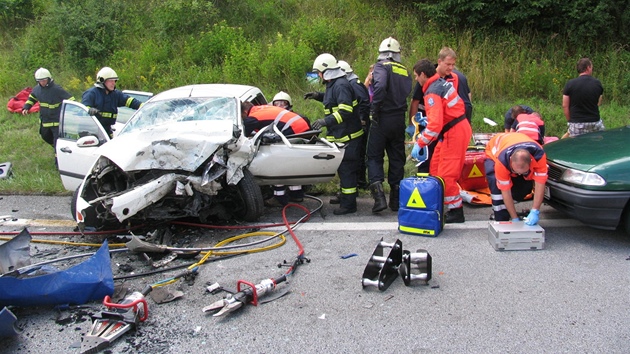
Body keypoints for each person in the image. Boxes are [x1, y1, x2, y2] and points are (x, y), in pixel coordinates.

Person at [411, 59, 472, 223]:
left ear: (423, 75)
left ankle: (456, 210)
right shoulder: (438, 84)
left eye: (416, 76)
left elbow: (435, 126)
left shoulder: (432, 92)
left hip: (454, 132)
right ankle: (440, 203)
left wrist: (420, 142)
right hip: (452, 129)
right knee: (436, 167)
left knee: (446, 174)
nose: (416, 79)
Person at [305, 53, 363, 215]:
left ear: (326, 71)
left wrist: (325, 121)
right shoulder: (334, 84)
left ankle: (349, 205)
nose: (318, 75)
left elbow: (345, 110)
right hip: (343, 136)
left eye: (319, 72)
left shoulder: (340, 85)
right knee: (344, 170)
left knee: (347, 170)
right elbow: (334, 100)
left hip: (349, 137)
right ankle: (345, 197)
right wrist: (318, 96)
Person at [366, 37, 412, 213]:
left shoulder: (381, 67)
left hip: (382, 117)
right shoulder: (404, 70)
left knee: (374, 156)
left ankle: (379, 199)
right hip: (398, 118)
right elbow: (406, 90)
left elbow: (380, 86)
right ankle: (395, 199)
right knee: (396, 157)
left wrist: (374, 109)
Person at [241, 102, 311, 206]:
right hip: (302, 128)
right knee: (291, 164)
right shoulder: (260, 108)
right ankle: (296, 195)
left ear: (245, 112)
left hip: (293, 131)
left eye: (242, 116)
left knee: (277, 163)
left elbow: (241, 136)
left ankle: (279, 197)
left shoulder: (252, 118)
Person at [484, 132, 547, 225]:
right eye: (515, 171)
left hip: (515, 141)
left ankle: (510, 207)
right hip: (494, 151)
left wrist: (535, 210)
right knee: (496, 185)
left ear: (531, 162)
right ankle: (501, 216)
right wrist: (515, 219)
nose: (518, 174)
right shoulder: (502, 162)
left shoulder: (539, 156)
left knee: (523, 188)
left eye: (524, 172)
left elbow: (540, 184)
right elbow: (505, 190)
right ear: (510, 162)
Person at [21, 67, 75, 164]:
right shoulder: (37, 89)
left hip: (56, 122)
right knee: (45, 137)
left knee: (57, 142)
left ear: (49, 79)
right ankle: (57, 148)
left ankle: (59, 163)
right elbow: (32, 97)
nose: (42, 82)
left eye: (44, 80)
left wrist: (72, 112)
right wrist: (26, 106)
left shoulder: (57, 90)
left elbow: (71, 99)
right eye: (40, 81)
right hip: (45, 122)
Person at [82, 67, 143, 138]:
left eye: (115, 81)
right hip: (91, 133)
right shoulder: (91, 94)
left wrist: (144, 106)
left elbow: (130, 101)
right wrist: (90, 110)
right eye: (111, 81)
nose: (113, 83)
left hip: (107, 132)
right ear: (102, 80)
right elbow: (83, 110)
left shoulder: (115, 94)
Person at [339, 60, 370, 190]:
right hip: (359, 123)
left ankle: (360, 181)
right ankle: (359, 181)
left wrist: (362, 120)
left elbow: (364, 103)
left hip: (360, 124)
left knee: (359, 154)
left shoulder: (353, 85)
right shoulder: (353, 83)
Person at [562, 58, 605, 137]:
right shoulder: (597, 83)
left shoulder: (570, 84)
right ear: (588, 67)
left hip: (576, 124)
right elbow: (598, 103)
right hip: (594, 122)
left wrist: (571, 121)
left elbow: (565, 105)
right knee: (598, 144)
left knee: (576, 146)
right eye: (591, 67)